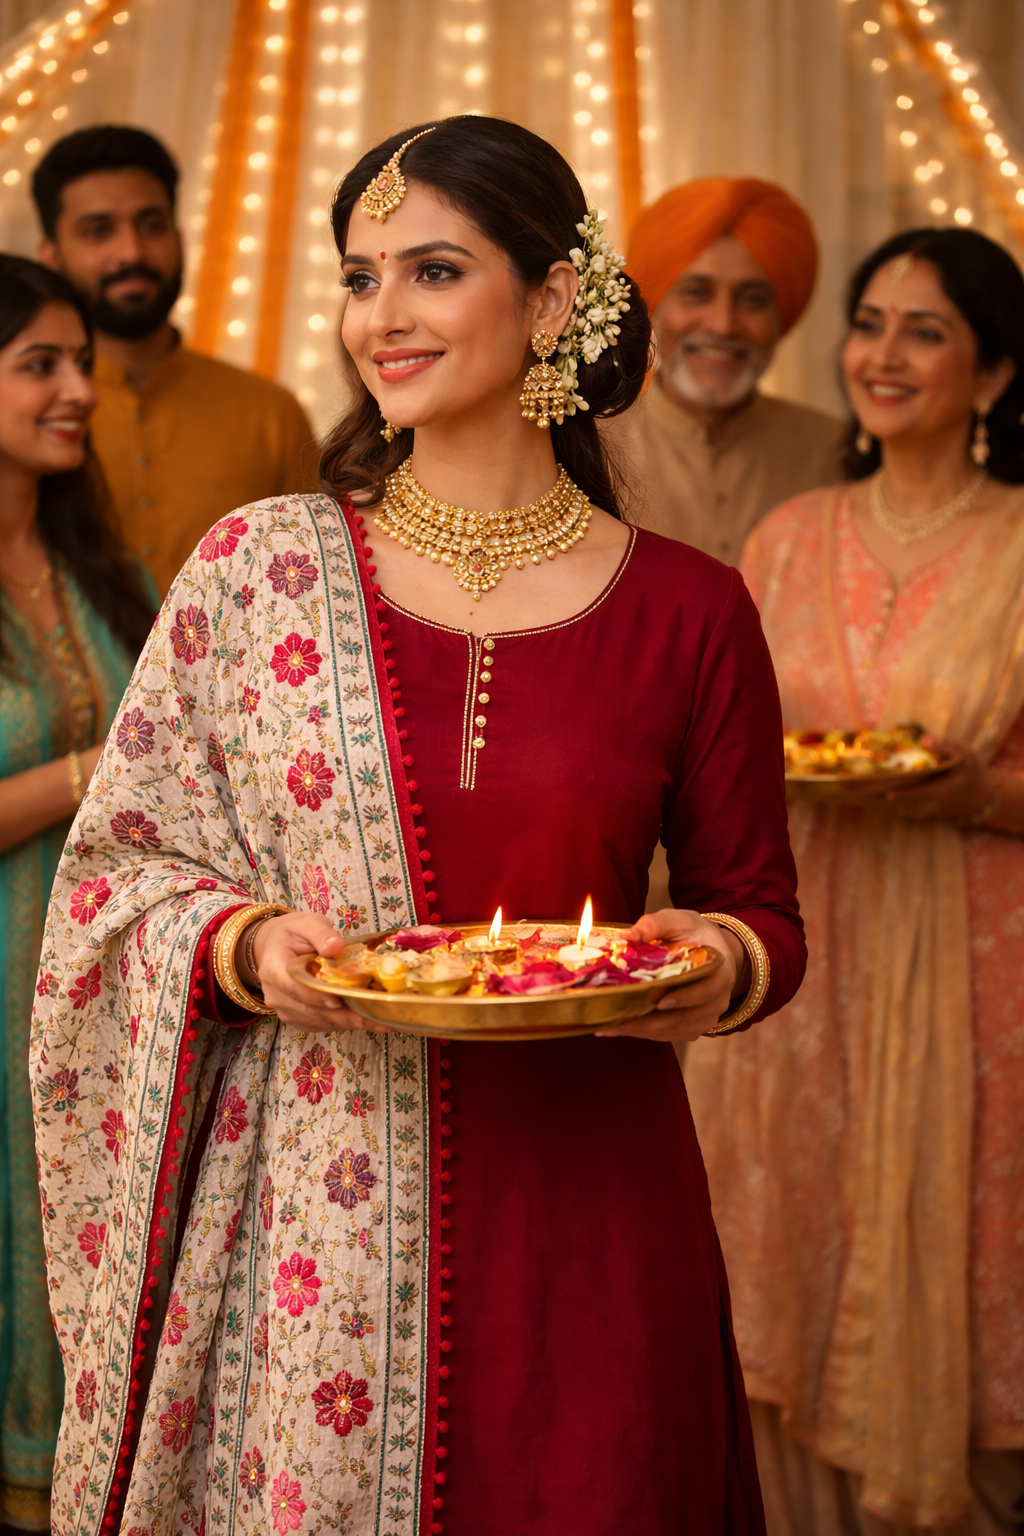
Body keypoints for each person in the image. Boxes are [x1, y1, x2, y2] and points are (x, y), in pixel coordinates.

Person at [32, 117, 805, 1536]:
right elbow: (120, 869)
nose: (379, 317)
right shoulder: (256, 570)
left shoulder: (690, 609)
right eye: (358, 276)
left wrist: (715, 961)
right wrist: (245, 938)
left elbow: (761, 912)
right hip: (313, 1228)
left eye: (433, 271)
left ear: (555, 298)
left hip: (591, 1212)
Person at [685, 227, 1024, 1536]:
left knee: (958, 1249)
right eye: (871, 322)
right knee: (790, 1248)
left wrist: (972, 793)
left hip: (978, 982)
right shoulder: (789, 536)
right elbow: (740, 751)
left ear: (993, 373)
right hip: (808, 968)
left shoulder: (1012, 543)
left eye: (925, 331)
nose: (882, 355)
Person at [0, 255, 155, 1532]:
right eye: (39, 366)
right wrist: (95, 772)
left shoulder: (95, 562)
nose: (76, 393)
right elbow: (131, 761)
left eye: (80, 364)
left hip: (99, 984)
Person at [32, 125, 317, 593]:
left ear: (180, 238)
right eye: (98, 231)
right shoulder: (24, 419)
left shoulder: (270, 414)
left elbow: (309, 592)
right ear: (52, 258)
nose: (132, 252)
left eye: (151, 225)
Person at [606, 176, 845, 565]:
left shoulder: (836, 453)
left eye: (751, 299)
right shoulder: (592, 450)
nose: (722, 324)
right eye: (697, 292)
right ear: (655, 303)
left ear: (780, 316)